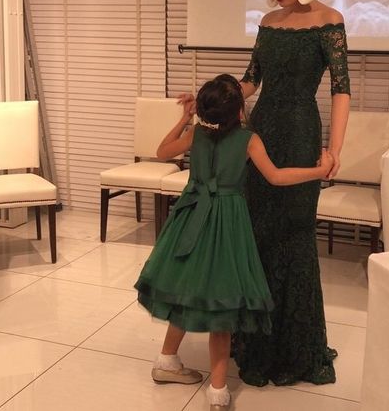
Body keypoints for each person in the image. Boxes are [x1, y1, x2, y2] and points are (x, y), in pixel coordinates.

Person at [135, 74, 334, 411]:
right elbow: (276, 176)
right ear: (239, 110)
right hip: (226, 223)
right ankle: (217, 391)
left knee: (185, 287)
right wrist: (319, 171)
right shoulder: (247, 139)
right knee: (222, 304)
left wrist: (184, 118)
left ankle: (167, 359)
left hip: (190, 218)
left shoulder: (197, 133)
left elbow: (161, 151)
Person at [233, 0, 351, 387]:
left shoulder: (330, 21)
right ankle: (257, 343)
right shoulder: (268, 22)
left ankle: (297, 347)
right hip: (261, 132)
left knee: (295, 236)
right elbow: (251, 81)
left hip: (302, 133)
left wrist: (334, 149)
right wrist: (214, 96)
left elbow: (341, 90)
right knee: (259, 235)